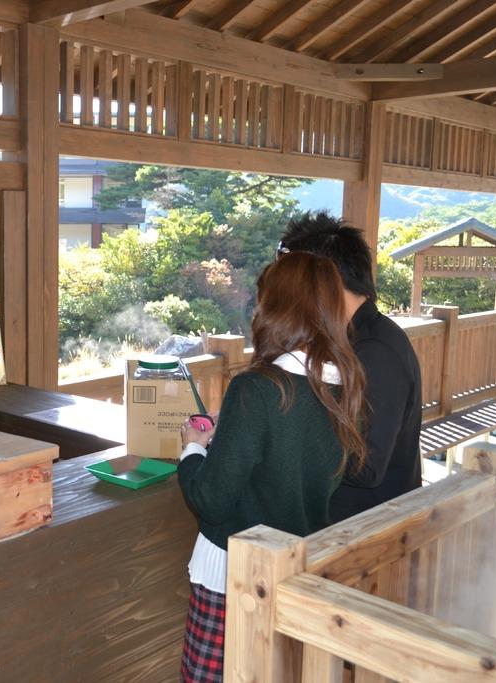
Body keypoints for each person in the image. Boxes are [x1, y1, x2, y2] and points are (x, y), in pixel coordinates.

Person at [177, 252, 366, 683]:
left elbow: (210, 499)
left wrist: (193, 450)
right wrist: (234, 432)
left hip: (238, 574)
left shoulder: (258, 388)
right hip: (300, 566)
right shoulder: (347, 388)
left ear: (278, 309)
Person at [278, 211, 422, 522]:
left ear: (324, 279)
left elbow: (367, 466)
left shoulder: (378, 352)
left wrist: (280, 436)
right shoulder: (345, 336)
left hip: (364, 528)